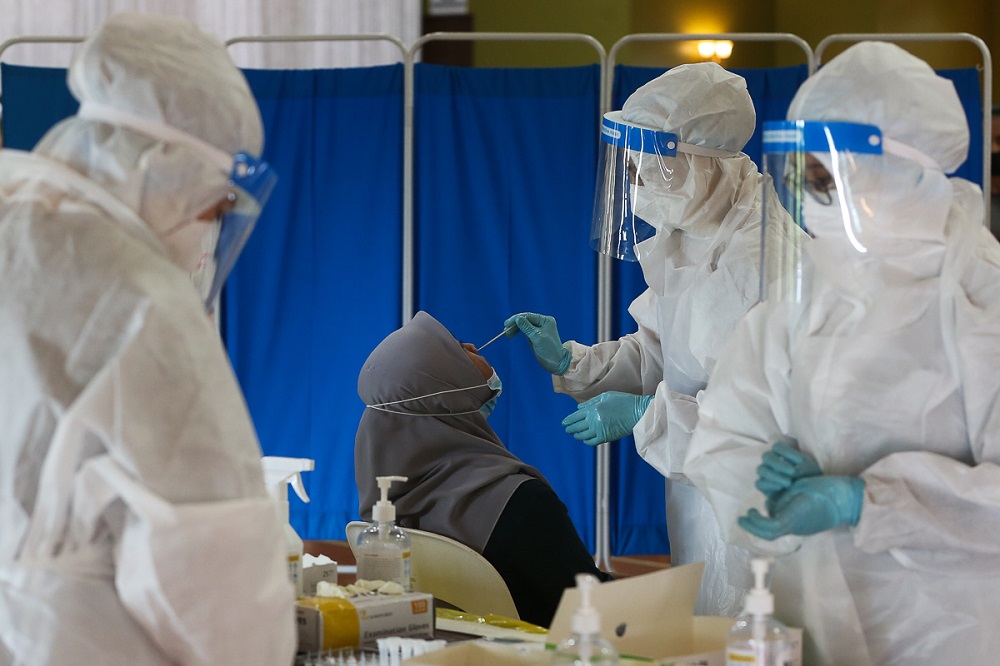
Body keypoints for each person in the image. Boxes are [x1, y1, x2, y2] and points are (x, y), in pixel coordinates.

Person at [684, 42, 1000, 665]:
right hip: (813, 618)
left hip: (948, 629)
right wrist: (761, 472)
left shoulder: (979, 298)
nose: (805, 195)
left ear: (905, 167)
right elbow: (726, 428)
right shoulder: (808, 293)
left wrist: (866, 500)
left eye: (826, 176)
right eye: (799, 174)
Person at [0, 14, 294, 665]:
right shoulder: (137, 295)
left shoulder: (17, 226)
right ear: (161, 167)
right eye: (213, 206)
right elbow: (214, 566)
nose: (209, 233)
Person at [504, 62, 799, 616]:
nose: (637, 186)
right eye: (633, 169)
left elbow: (770, 421)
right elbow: (661, 351)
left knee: (756, 635)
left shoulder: (767, 263)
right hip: (697, 501)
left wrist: (649, 416)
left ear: (704, 165)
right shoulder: (690, 235)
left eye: (652, 170)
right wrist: (576, 361)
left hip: (762, 513)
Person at [354, 311, 611, 627]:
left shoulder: (383, 521)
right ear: (443, 392)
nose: (474, 345)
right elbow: (596, 610)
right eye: (460, 348)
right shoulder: (521, 503)